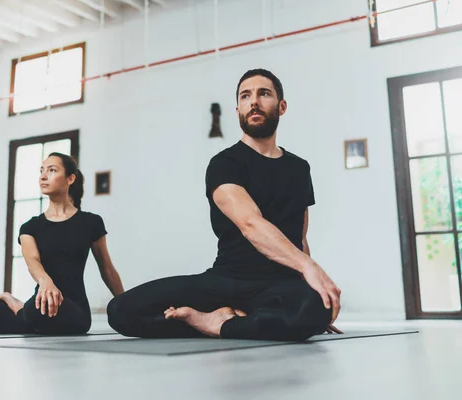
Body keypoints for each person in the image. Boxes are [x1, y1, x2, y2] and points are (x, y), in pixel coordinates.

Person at [107, 69, 342, 341]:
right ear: (238, 108)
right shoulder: (224, 164)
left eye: (264, 93)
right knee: (121, 311)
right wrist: (309, 268)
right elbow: (250, 224)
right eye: (246, 96)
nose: (254, 101)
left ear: (282, 106)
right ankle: (238, 321)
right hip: (224, 280)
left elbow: (300, 237)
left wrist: (311, 301)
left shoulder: (299, 168)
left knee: (315, 308)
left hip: (277, 286)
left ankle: (220, 324)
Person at [0, 153, 124, 335]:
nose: (43, 176)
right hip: (40, 301)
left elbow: (107, 268)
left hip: (73, 308)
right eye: (41, 171)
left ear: (70, 179)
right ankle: (26, 312)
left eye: (52, 170)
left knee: (41, 312)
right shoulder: (30, 227)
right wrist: (46, 282)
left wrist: (124, 303)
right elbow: (33, 262)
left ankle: (19, 308)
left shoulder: (91, 222)